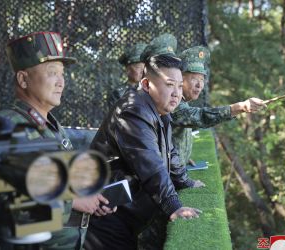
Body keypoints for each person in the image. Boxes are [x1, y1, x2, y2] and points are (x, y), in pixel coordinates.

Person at [0, 31, 115, 250]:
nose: (61, 82)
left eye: (62, 74)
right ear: (23, 79)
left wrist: (92, 197)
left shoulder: (49, 124)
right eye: (52, 73)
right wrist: (75, 202)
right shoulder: (7, 124)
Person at [84, 34, 201, 250]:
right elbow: (151, 163)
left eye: (178, 86)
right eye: (169, 85)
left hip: (124, 214)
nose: (176, 93)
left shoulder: (159, 108)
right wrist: (173, 205)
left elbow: (170, 153)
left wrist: (184, 181)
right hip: (106, 216)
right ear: (146, 84)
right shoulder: (134, 110)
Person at [172, 45, 266, 175]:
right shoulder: (173, 103)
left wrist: (182, 158)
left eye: (202, 79)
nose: (199, 85)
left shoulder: (182, 102)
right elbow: (201, 117)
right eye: (194, 78)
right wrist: (241, 106)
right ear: (180, 79)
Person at [108, 42, 147, 107]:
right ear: (128, 70)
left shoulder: (151, 90)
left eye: (145, 67)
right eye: (138, 67)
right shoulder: (119, 93)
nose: (142, 71)